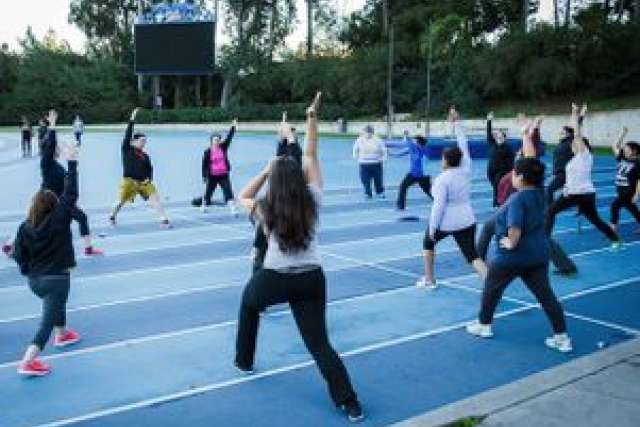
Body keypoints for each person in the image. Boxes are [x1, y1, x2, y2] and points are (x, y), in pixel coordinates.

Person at [235, 93, 364, 422]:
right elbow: (310, 152)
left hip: (275, 278)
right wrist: (311, 118)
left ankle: (244, 360)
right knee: (320, 345)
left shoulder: (266, 208)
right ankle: (349, 402)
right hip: (311, 278)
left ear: (276, 182)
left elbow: (242, 195)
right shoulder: (314, 199)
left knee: (250, 303)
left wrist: (266, 171)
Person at [466, 157, 573, 353]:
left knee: (491, 289)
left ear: (521, 177)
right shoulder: (542, 194)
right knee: (546, 296)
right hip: (538, 254)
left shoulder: (517, 198)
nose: (511, 176)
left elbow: (514, 227)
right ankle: (562, 337)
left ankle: (484, 325)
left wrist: (510, 242)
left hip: (512, 256)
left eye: (514, 173)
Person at [10, 141, 83, 376]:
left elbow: (17, 255)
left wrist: (26, 271)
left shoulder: (24, 227)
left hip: (34, 281)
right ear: (54, 206)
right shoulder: (59, 220)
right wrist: (72, 162)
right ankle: (28, 361)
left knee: (55, 307)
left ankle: (63, 334)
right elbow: (71, 193)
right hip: (56, 280)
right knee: (45, 324)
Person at [477, 117, 577, 276]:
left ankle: (479, 260)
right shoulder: (530, 168)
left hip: (519, 202)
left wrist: (526, 134)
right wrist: (526, 133)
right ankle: (566, 266)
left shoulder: (527, 167)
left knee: (492, 228)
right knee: (537, 236)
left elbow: (530, 152)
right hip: (519, 201)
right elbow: (530, 151)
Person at [416, 107, 487, 289]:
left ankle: (430, 280)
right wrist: (457, 124)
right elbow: (463, 146)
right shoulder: (466, 169)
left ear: (446, 161)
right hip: (467, 219)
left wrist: (432, 228)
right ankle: (491, 284)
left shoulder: (442, 180)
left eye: (442, 158)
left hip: (447, 221)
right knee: (473, 256)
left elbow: (438, 207)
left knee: (427, 243)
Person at [545, 104, 622, 248]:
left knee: (550, 211)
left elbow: (577, 134)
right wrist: (566, 188)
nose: (572, 145)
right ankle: (615, 239)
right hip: (583, 194)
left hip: (578, 194)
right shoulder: (573, 160)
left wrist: (575, 114)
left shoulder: (584, 155)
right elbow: (572, 178)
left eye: (575, 143)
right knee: (594, 219)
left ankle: (544, 241)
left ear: (582, 146)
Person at [40, 110, 102, 256]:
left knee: (82, 217)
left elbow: (66, 181)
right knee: (35, 221)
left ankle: (88, 248)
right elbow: (51, 144)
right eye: (58, 146)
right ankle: (11, 244)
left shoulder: (56, 165)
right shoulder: (46, 162)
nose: (60, 147)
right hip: (48, 199)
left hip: (62, 200)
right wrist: (53, 124)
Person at [251, 113, 303, 273]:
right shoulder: (282, 150)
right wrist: (283, 125)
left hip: (288, 196)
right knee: (264, 223)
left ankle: (263, 253)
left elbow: (293, 147)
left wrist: (286, 129)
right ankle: (259, 251)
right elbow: (282, 142)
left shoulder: (295, 153)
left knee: (269, 222)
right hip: (278, 193)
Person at [109, 108, 171, 228]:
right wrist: (132, 119)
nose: (144, 143)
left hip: (144, 182)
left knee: (155, 199)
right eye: (142, 141)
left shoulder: (145, 155)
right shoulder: (127, 149)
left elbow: (150, 168)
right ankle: (112, 216)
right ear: (133, 141)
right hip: (129, 182)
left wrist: (149, 179)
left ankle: (164, 220)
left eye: (145, 141)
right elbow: (128, 133)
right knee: (120, 202)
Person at [385, 130, 432, 210]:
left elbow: (408, 143)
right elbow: (400, 153)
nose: (413, 142)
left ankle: (440, 200)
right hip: (413, 174)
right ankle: (401, 207)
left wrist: (407, 137)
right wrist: (390, 153)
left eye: (415, 141)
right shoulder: (413, 148)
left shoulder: (422, 150)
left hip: (422, 176)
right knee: (403, 187)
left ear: (419, 143)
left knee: (429, 192)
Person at [200, 119, 238, 216]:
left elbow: (229, 137)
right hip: (212, 175)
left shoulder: (223, 147)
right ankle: (204, 205)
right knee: (208, 192)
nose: (217, 141)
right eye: (215, 140)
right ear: (211, 141)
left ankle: (233, 209)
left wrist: (233, 127)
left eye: (218, 140)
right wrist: (204, 176)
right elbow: (204, 165)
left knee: (228, 191)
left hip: (223, 175)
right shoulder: (207, 152)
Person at [609, 126, 640, 233]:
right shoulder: (623, 157)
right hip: (620, 189)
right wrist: (623, 133)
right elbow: (614, 145)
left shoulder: (637, 163)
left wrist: (636, 194)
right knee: (631, 208)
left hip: (629, 190)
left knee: (614, 206)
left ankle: (612, 228)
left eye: (627, 149)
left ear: (634, 151)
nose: (624, 150)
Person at [485, 112, 514, 207]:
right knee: (497, 187)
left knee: (498, 185)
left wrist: (508, 170)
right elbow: (489, 133)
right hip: (491, 172)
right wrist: (489, 121)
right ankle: (503, 198)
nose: (499, 138)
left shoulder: (508, 148)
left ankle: (497, 203)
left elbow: (511, 162)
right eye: (498, 137)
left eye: (501, 137)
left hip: (501, 172)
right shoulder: (493, 144)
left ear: (505, 138)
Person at [353, 125, 386, 199]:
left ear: (372, 132)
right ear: (364, 132)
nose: (368, 134)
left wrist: (383, 159)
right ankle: (368, 193)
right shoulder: (359, 140)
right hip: (364, 163)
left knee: (378, 179)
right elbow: (355, 149)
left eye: (370, 132)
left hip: (376, 162)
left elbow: (384, 150)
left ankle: (379, 191)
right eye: (366, 132)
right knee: (365, 179)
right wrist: (357, 158)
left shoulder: (378, 140)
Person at [546, 125, 575, 205]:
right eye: (560, 132)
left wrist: (579, 118)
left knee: (549, 189)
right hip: (560, 172)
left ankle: (550, 208)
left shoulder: (571, 143)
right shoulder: (561, 143)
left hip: (565, 173)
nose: (560, 133)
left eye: (563, 132)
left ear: (569, 134)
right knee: (570, 192)